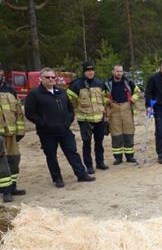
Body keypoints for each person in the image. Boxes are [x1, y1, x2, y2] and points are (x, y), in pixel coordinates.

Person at [25, 67, 95, 187]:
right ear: (41, 78)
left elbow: (70, 108)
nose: (51, 79)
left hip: (64, 130)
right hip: (47, 132)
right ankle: (57, 178)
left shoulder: (61, 92)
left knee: (72, 152)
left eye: (53, 77)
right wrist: (43, 123)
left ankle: (81, 174)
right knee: (51, 155)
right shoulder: (34, 94)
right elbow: (30, 113)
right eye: (48, 77)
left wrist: (68, 120)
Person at [67, 62, 109, 174]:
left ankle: (100, 162)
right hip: (85, 119)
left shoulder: (100, 83)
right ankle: (89, 165)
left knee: (99, 143)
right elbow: (71, 101)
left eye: (92, 70)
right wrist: (79, 109)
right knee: (87, 143)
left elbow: (105, 98)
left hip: (99, 118)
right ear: (84, 71)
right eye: (88, 70)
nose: (90, 72)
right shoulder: (76, 85)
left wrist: (103, 109)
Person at [0, 63, 26, 202]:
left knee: (14, 160)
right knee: (2, 164)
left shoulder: (10, 90)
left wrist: (20, 131)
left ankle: (13, 186)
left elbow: (18, 113)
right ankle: (6, 191)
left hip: (11, 133)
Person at [104, 64, 140, 165]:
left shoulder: (128, 82)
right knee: (116, 135)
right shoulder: (107, 84)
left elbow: (137, 92)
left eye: (121, 71)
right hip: (114, 110)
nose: (119, 73)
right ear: (113, 72)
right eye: (117, 71)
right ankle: (118, 158)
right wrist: (107, 100)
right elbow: (101, 96)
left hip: (127, 109)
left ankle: (130, 156)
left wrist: (133, 98)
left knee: (128, 134)